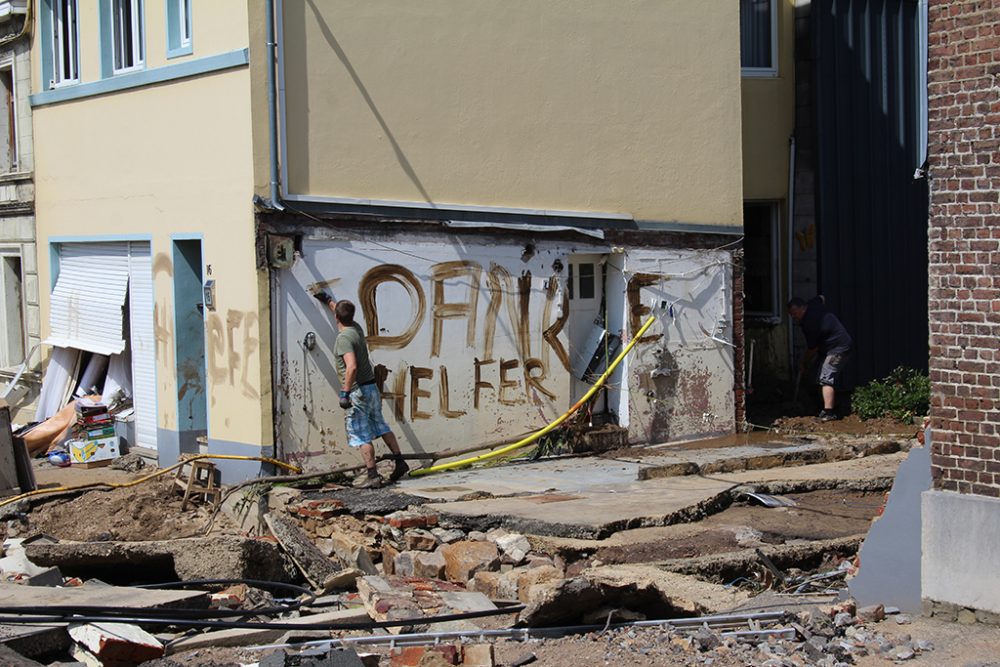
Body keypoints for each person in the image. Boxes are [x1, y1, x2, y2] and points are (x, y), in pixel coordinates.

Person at [314, 292, 409, 487]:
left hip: (357, 392)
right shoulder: (355, 328)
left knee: (360, 434)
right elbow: (340, 312)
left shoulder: (343, 339)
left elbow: (352, 366)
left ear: (337, 318)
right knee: (381, 425)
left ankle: (373, 475)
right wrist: (328, 301)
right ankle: (400, 462)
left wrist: (345, 393)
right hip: (371, 387)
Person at [787, 295, 853, 422]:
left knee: (825, 378)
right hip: (827, 348)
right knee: (814, 377)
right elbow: (821, 298)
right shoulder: (813, 304)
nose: (794, 317)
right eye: (791, 315)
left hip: (838, 347)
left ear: (802, 308)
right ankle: (824, 405)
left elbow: (813, 349)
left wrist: (803, 363)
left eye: (795, 313)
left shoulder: (809, 323)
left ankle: (829, 413)